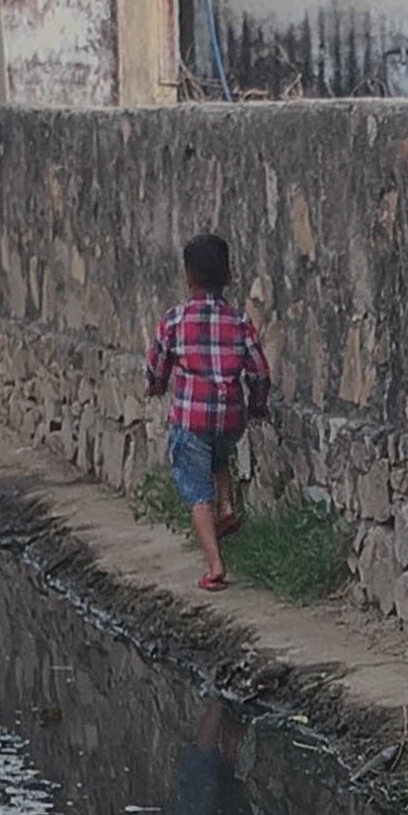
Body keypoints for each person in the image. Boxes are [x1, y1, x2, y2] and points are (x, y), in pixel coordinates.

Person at [145, 233, 273, 594]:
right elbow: (260, 371)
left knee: (195, 488)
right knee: (219, 456)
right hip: (231, 417)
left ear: (188, 278)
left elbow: (157, 367)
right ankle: (229, 506)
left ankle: (215, 565)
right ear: (229, 276)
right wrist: (258, 404)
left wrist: (154, 386)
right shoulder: (239, 323)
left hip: (191, 418)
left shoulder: (173, 321)